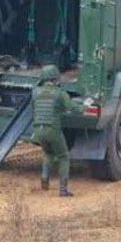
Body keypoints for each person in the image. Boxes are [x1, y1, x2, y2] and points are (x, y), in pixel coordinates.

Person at [31, 65, 75, 197]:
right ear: (56, 78)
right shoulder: (59, 93)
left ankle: (45, 177)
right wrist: (84, 106)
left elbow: (33, 108)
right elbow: (70, 107)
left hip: (38, 129)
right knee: (63, 157)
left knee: (48, 153)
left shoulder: (35, 92)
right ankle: (63, 190)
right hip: (52, 129)